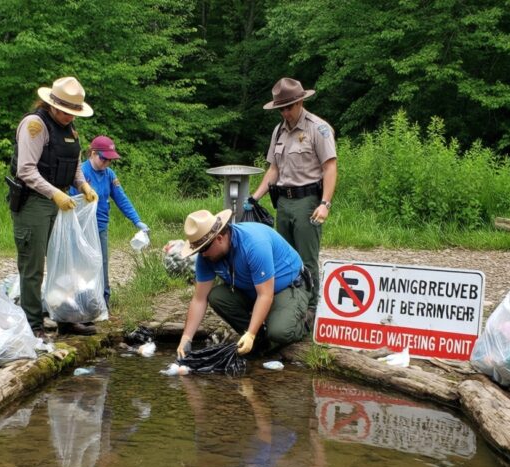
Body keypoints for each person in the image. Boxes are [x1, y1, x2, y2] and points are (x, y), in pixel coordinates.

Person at [6, 77, 99, 336]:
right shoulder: (35, 125)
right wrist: (55, 193)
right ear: (53, 105)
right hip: (34, 203)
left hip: (62, 203)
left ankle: (66, 317)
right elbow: (26, 170)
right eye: (66, 112)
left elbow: (74, 163)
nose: (70, 117)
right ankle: (33, 323)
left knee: (64, 261)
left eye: (74, 113)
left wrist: (83, 186)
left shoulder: (71, 130)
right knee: (33, 266)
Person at [249, 78, 338, 323]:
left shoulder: (317, 129)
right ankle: (288, 307)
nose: (285, 112)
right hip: (283, 203)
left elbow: (330, 167)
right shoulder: (279, 131)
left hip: (308, 201)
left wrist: (325, 203)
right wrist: (255, 197)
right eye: (281, 108)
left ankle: (311, 311)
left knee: (307, 259)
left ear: (300, 102)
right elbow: (273, 169)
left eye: (289, 107)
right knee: (283, 258)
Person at [176, 209, 311, 359]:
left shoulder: (254, 244)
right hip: (254, 289)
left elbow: (265, 295)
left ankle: (307, 319)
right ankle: (260, 338)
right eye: (198, 250)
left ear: (219, 238)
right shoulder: (206, 256)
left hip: (287, 286)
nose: (203, 254)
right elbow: (199, 299)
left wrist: (250, 334)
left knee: (280, 332)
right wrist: (186, 339)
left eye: (204, 248)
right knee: (216, 296)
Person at [68, 136, 149, 307]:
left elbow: (122, 199)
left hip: (101, 227)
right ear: (93, 153)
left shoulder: (109, 175)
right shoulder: (80, 174)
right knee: (83, 265)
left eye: (110, 160)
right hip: (81, 228)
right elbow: (71, 202)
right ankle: (83, 302)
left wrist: (137, 221)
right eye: (104, 159)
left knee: (101, 264)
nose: (107, 164)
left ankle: (104, 301)